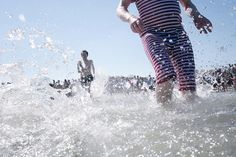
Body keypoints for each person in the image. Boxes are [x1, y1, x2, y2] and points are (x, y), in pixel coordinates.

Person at [116, 0, 212, 104]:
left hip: (179, 35)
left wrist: (196, 15)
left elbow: (187, 4)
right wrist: (130, 18)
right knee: (166, 73)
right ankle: (163, 112)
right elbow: (121, 8)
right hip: (151, 34)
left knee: (188, 85)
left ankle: (190, 114)